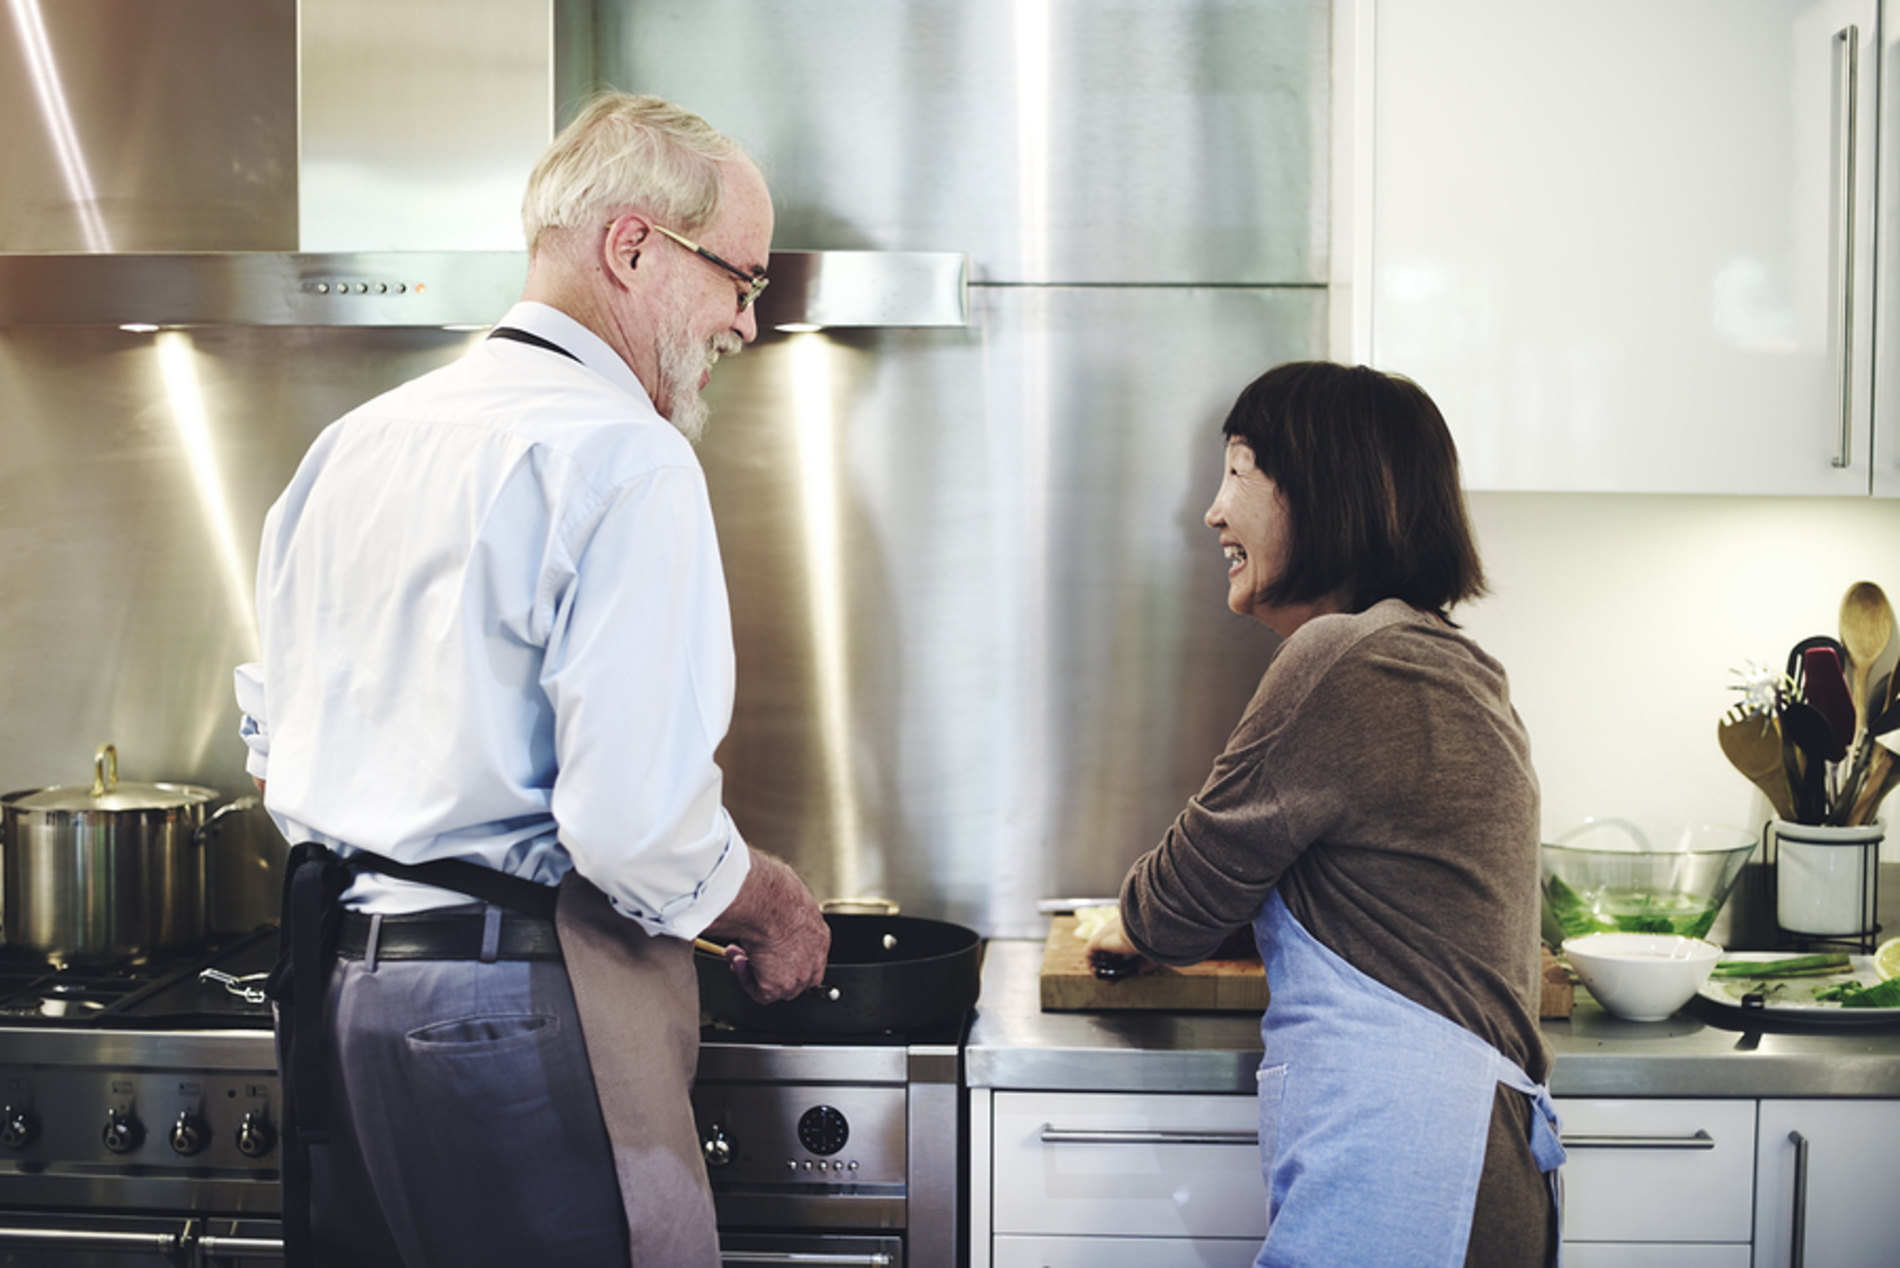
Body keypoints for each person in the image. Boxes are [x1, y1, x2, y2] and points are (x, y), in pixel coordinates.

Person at [233, 92, 829, 1268]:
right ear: (633, 247)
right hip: (513, 1008)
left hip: (344, 1000)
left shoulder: (352, 443)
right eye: (741, 282)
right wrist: (772, 903)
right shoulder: (625, 457)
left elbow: (272, 742)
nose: (745, 323)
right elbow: (634, 828)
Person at [1088, 362, 1565, 1267]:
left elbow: (1168, 913)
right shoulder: (1444, 659)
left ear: (1322, 488)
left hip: (1413, 1173)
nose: (1213, 511)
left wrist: (1141, 906)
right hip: (1474, 1168)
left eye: (1238, 470)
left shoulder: (1338, 659)